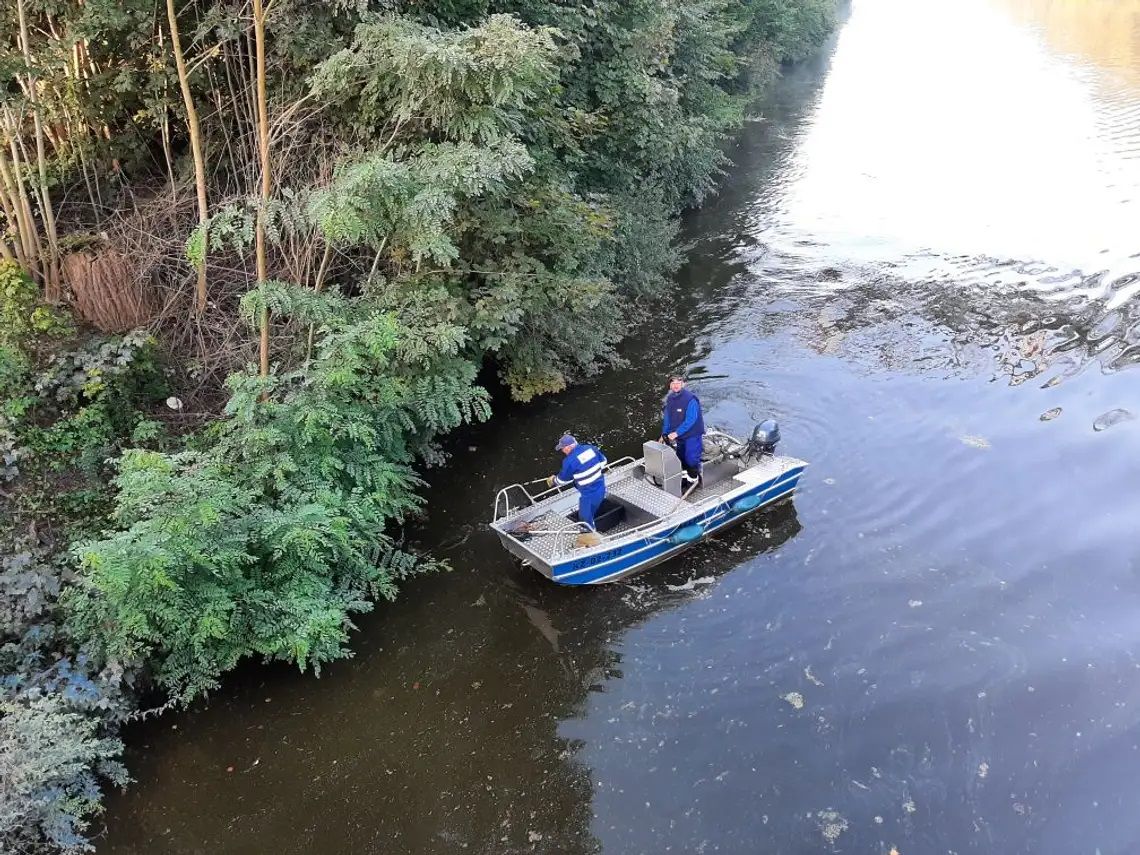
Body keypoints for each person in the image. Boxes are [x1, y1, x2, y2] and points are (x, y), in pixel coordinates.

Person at [546, 434, 607, 547]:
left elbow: (561, 481)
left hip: (589, 495)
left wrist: (553, 480)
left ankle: (594, 542)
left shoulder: (569, 461)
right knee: (590, 510)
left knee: (584, 517)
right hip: (601, 487)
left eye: (563, 448)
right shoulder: (590, 448)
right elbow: (603, 461)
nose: (563, 451)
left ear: (568, 447)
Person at [660, 374, 704, 486]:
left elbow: (691, 419)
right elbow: (667, 418)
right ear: (669, 385)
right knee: (680, 457)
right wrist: (664, 433)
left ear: (683, 384)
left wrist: (676, 433)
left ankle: (694, 480)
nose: (675, 385)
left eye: (678, 383)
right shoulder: (670, 399)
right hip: (679, 436)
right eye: (673, 383)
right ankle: (685, 477)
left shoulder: (690, 399)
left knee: (691, 458)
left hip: (692, 435)